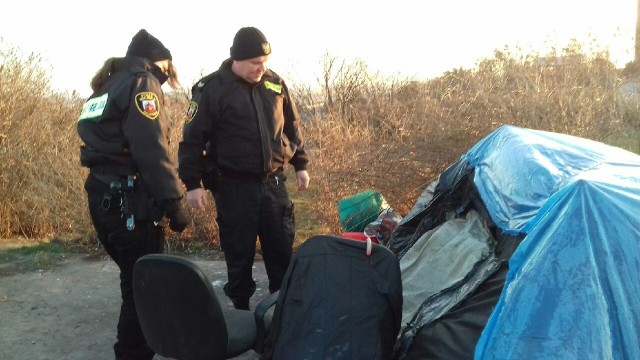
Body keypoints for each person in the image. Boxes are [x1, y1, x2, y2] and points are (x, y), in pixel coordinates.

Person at [178, 26, 310, 310]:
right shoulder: (211, 89)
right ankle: (240, 313)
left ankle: (281, 317)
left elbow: (293, 127)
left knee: (281, 254)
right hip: (234, 189)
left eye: (265, 62)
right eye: (255, 63)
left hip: (274, 185)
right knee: (239, 257)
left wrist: (301, 164)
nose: (262, 68)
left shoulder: (275, 84)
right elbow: (191, 141)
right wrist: (192, 183)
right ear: (237, 59)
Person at [76, 29, 189, 360]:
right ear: (160, 61)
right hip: (128, 200)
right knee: (142, 288)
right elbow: (151, 151)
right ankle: (132, 354)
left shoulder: (108, 84)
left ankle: (132, 351)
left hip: (103, 195)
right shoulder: (143, 83)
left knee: (133, 282)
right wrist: (175, 202)